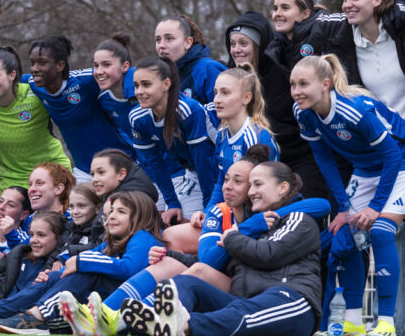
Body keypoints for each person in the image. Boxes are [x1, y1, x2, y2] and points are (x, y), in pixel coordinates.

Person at [312, 0, 405, 336]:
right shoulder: (341, 39)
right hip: (373, 141)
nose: (348, 4)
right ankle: (392, 321)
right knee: (382, 233)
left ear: (378, 0)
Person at [290, 54, 405, 336]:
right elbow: (324, 160)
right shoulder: (303, 113)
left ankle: (386, 323)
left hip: (403, 161)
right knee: (347, 230)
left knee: (379, 231)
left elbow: (391, 155)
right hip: (367, 168)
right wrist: (345, 207)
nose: (297, 91)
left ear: (325, 84)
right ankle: (352, 322)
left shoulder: (353, 110)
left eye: (304, 84)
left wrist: (376, 207)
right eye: (293, 85)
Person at [122, 161, 322, 336]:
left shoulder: (299, 219)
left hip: (291, 300)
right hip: (246, 299)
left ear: (283, 188)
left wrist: (233, 236)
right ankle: (156, 322)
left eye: (258, 184)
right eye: (250, 185)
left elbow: (267, 254)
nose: (251, 192)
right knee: (186, 282)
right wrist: (172, 256)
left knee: (242, 310)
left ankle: (184, 325)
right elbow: (225, 266)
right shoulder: (253, 225)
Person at [0, 191, 165, 335]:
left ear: (140, 216)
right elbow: (90, 258)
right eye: (110, 212)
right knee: (56, 275)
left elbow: (127, 268)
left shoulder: (143, 236)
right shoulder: (111, 242)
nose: (111, 217)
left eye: (121, 212)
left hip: (120, 304)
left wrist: (78, 261)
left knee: (82, 272)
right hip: (94, 300)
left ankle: (35, 317)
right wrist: (55, 273)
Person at [262, 0, 354, 205]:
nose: (277, 14)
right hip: (311, 137)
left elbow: (353, 16)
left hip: (340, 130)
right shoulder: (277, 47)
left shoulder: (323, 27)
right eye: (275, 8)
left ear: (305, 13)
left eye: (285, 7)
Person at [10, 36, 132, 181]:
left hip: (119, 164)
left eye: (42, 63)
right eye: (32, 63)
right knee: (76, 203)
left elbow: (131, 71)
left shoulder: (85, 81)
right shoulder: (34, 83)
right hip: (84, 172)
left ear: (60, 66)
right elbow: (5, 79)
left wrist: (131, 90)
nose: (35, 69)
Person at [0, 46, 70, 193]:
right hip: (11, 182)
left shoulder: (35, 95)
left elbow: (62, 83)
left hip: (51, 173)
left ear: (12, 75)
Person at [129, 56, 218, 223]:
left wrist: (209, 206)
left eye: (146, 84)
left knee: (204, 223)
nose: (139, 91)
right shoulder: (137, 118)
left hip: (222, 171)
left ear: (166, 84)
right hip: (194, 174)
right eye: (136, 85)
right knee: (174, 223)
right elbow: (153, 164)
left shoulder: (187, 110)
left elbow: (204, 160)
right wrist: (172, 202)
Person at [206, 64, 279, 207]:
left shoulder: (255, 137)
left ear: (246, 98)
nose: (216, 100)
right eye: (216, 92)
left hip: (260, 214)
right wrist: (209, 213)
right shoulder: (221, 135)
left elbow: (265, 193)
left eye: (225, 93)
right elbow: (221, 182)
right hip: (234, 210)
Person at [155, 14, 226, 104]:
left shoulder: (209, 69)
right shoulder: (158, 74)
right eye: (158, 40)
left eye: (169, 38)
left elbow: (226, 113)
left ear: (188, 42)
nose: (161, 45)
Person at [93, 34, 139, 150]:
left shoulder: (142, 87)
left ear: (125, 66)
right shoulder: (104, 100)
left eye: (106, 65)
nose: (99, 71)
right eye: (96, 65)